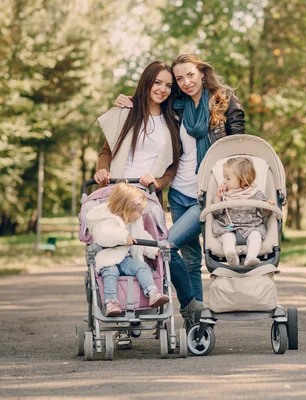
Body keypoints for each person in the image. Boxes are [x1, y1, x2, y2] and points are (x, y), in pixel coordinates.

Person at [115, 54, 245, 327]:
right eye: (179, 79)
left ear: (202, 72)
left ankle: (191, 308)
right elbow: (149, 101)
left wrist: (231, 185)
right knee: (190, 258)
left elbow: (237, 149)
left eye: (190, 75)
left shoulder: (224, 101)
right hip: (179, 192)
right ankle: (197, 325)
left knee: (166, 245)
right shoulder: (176, 106)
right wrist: (124, 100)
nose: (185, 82)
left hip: (208, 193)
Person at [94, 61, 181, 208]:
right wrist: (102, 170)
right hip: (115, 191)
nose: (163, 89)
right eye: (157, 83)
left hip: (146, 197)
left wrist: (158, 183)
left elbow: (172, 167)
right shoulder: (126, 112)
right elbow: (107, 151)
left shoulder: (174, 122)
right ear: (146, 82)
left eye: (168, 86)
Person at [86, 182, 169, 317]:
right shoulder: (105, 219)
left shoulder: (135, 222)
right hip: (108, 259)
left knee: (142, 267)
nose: (140, 214)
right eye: (139, 212)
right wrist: (123, 237)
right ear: (126, 209)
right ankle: (111, 302)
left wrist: (154, 250)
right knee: (110, 273)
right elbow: (103, 236)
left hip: (126, 259)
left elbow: (142, 237)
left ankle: (153, 292)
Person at [211, 157, 274, 267]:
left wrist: (267, 207)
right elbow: (216, 213)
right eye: (224, 177)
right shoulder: (224, 194)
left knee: (256, 236)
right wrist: (217, 198)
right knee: (227, 238)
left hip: (251, 226)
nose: (224, 181)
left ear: (243, 180)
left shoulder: (255, 194)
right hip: (228, 226)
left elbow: (265, 214)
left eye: (228, 178)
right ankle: (231, 256)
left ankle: (251, 258)